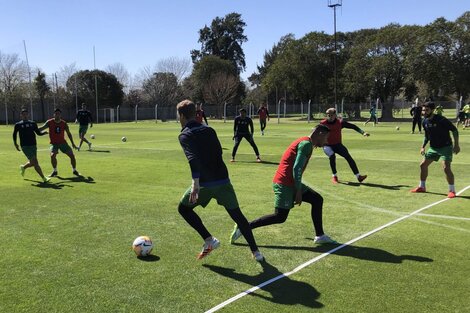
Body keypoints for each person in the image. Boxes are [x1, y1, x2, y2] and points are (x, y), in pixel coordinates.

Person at [176, 100, 264, 262]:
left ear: (181, 115)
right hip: (223, 180)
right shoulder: (209, 129)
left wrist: (196, 184)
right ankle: (256, 252)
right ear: (196, 114)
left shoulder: (185, 134)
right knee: (238, 216)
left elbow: (193, 159)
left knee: (184, 209)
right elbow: (217, 152)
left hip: (204, 184)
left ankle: (209, 240)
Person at [230, 124, 337, 245]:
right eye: (326, 138)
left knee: (317, 199)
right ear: (320, 134)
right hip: (284, 183)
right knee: (280, 217)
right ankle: (244, 227)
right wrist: (298, 191)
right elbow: (296, 168)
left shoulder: (305, 142)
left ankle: (320, 235)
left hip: (290, 181)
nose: (326, 141)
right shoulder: (306, 144)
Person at [411, 102, 460, 198]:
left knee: (446, 167)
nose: (424, 112)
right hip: (433, 148)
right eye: (423, 110)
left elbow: (454, 130)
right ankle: (422, 187)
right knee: (423, 165)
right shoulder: (424, 121)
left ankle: (452, 190)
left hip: (445, 147)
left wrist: (456, 145)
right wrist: (423, 146)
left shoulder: (441, 120)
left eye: (426, 110)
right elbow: (427, 136)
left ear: (432, 110)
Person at [320, 108, 369, 184]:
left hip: (338, 145)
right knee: (332, 156)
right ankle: (334, 176)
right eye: (328, 115)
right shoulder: (323, 123)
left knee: (349, 158)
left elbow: (353, 126)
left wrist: (363, 133)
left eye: (331, 115)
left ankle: (358, 176)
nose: (329, 116)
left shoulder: (340, 123)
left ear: (335, 115)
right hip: (327, 146)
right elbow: (315, 133)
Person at [39, 108, 80, 177]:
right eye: (56, 114)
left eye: (58, 114)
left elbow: (69, 134)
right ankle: (55, 171)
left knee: (72, 156)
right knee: (52, 156)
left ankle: (74, 170)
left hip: (63, 143)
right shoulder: (49, 122)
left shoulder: (64, 123)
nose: (57, 115)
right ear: (54, 114)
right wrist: (33, 128)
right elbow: (41, 128)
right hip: (54, 144)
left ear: (60, 115)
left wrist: (73, 143)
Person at [13, 108, 50, 183]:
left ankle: (23, 167)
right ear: (21, 115)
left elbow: (38, 133)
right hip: (25, 146)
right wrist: (15, 144)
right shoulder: (18, 124)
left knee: (32, 162)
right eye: (23, 114)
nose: (25, 116)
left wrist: (44, 133)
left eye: (26, 114)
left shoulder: (33, 123)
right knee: (35, 162)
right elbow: (14, 134)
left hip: (33, 145)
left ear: (28, 114)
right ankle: (44, 178)